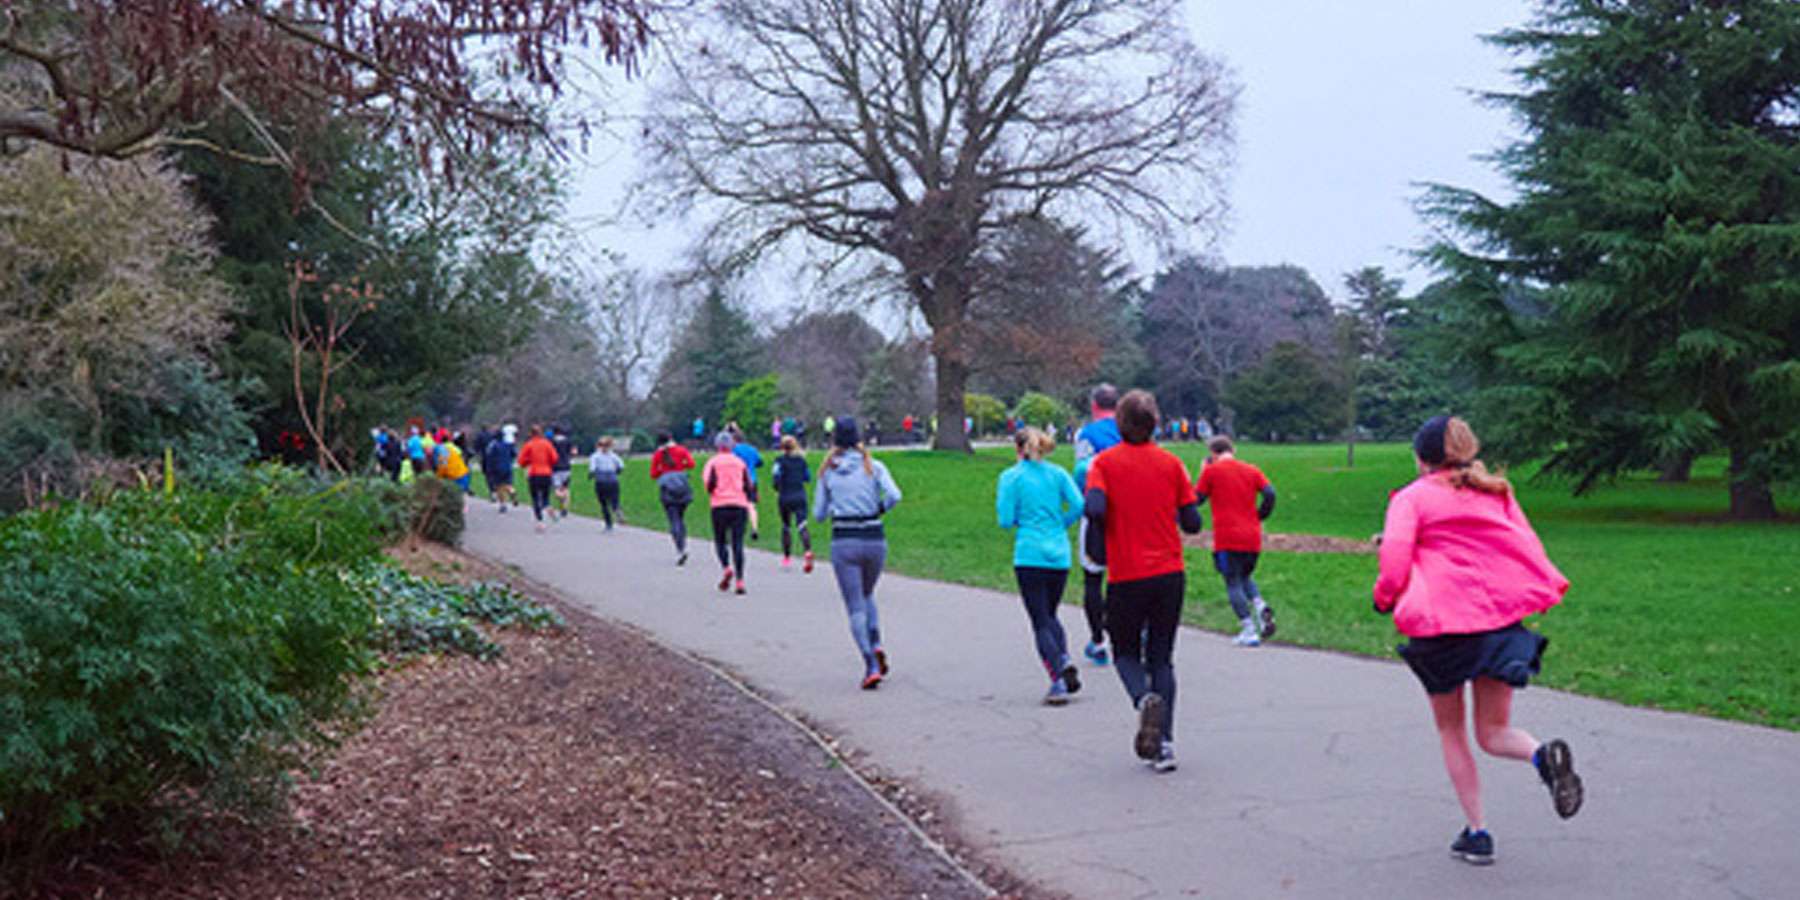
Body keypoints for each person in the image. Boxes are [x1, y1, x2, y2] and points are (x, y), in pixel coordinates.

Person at [1375, 415, 1582, 865]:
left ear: (1421, 457)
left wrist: (1383, 598)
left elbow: (1393, 562)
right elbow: (1526, 544)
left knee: (1452, 730)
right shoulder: (1497, 492)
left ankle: (1478, 831)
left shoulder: (1411, 499)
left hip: (1443, 631)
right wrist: (1540, 588)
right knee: (1494, 731)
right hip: (1498, 625)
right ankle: (1542, 756)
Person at [1083, 389, 1202, 773]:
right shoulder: (1171, 464)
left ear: (1119, 422)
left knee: (1125, 653)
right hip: (1169, 572)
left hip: (1127, 573)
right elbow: (1192, 521)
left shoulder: (1105, 464)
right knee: (1162, 658)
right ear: (1155, 422)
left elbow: (1096, 506)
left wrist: (1101, 526)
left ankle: (1141, 700)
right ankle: (1164, 743)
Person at [996, 427, 1085, 705]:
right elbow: (1080, 503)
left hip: (1030, 553)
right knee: (1051, 613)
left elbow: (1005, 519)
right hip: (1058, 553)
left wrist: (1019, 520)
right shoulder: (1057, 474)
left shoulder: (1011, 478)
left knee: (1039, 620)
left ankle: (1057, 676)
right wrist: (1062, 522)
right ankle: (1065, 657)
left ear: (1018, 449)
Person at [813, 417, 902, 689]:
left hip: (845, 540)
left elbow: (818, 514)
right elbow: (894, 495)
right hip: (874, 539)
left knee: (855, 606)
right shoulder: (873, 466)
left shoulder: (828, 472)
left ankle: (870, 663)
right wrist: (877, 509)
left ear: (834, 439)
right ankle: (876, 643)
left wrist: (837, 505)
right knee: (867, 593)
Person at [1195, 435, 1278, 647]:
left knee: (1232, 581)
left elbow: (1196, 500)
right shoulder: (1251, 470)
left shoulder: (1212, 472)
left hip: (1227, 537)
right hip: (1252, 536)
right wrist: (1261, 514)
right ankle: (1260, 606)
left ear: (1213, 453)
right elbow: (1270, 493)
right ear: (1233, 450)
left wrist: (1202, 474)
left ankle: (1248, 628)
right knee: (1245, 576)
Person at [1071, 383, 1123, 666]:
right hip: (1128, 511)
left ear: (1093, 406)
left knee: (1093, 577)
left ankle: (1099, 641)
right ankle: (1128, 634)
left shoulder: (1086, 434)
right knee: (1123, 575)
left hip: (1096, 508)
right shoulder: (1130, 429)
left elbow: (1083, 470)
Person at [703, 431, 754, 594]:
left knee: (720, 541)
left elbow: (708, 484)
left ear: (717, 446)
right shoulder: (740, 463)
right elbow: (748, 485)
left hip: (719, 505)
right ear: (732, 445)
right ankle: (740, 580)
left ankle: (726, 568)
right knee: (737, 543)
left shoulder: (713, 463)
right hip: (739, 504)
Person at [651, 432, 696, 565]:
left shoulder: (658, 454)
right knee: (681, 518)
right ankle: (683, 540)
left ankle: (680, 547)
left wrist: (664, 471)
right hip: (682, 486)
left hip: (667, 488)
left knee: (673, 519)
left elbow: (653, 474)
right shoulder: (681, 450)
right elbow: (691, 464)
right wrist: (680, 467)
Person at [771, 435, 814, 572]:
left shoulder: (779, 461)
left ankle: (787, 557)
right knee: (802, 525)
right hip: (799, 494)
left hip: (785, 495)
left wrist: (777, 487)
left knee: (786, 526)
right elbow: (808, 477)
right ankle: (807, 550)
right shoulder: (802, 461)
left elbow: (776, 476)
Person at [515, 425, 559, 533]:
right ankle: (547, 506)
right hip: (546, 473)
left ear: (531, 433)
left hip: (533, 473)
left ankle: (540, 522)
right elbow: (554, 458)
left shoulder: (528, 445)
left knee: (535, 498)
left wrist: (528, 462)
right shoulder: (547, 444)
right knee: (545, 495)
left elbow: (521, 461)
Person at [729, 423, 764, 541]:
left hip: (738, 480)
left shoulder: (734, 450)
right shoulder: (752, 449)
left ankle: (737, 529)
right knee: (751, 506)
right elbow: (760, 462)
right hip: (752, 480)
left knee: (736, 505)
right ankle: (754, 528)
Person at [589, 436, 626, 532]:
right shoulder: (614, 456)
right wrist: (616, 472)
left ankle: (609, 524)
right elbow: (621, 466)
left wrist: (591, 475)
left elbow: (592, 469)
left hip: (601, 481)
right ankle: (616, 509)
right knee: (614, 500)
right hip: (613, 480)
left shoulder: (595, 456)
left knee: (604, 503)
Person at [482, 426, 516, 511]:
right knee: (508, 483)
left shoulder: (493, 446)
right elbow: (514, 454)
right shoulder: (508, 445)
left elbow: (490, 458)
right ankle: (512, 491)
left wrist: (488, 470)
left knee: (499, 487)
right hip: (507, 467)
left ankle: (503, 505)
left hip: (497, 469)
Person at [548, 426, 575, 520]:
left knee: (556, 489)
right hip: (566, 467)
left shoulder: (551, 442)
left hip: (555, 468)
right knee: (565, 488)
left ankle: (562, 500)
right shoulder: (568, 441)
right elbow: (574, 452)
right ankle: (564, 507)